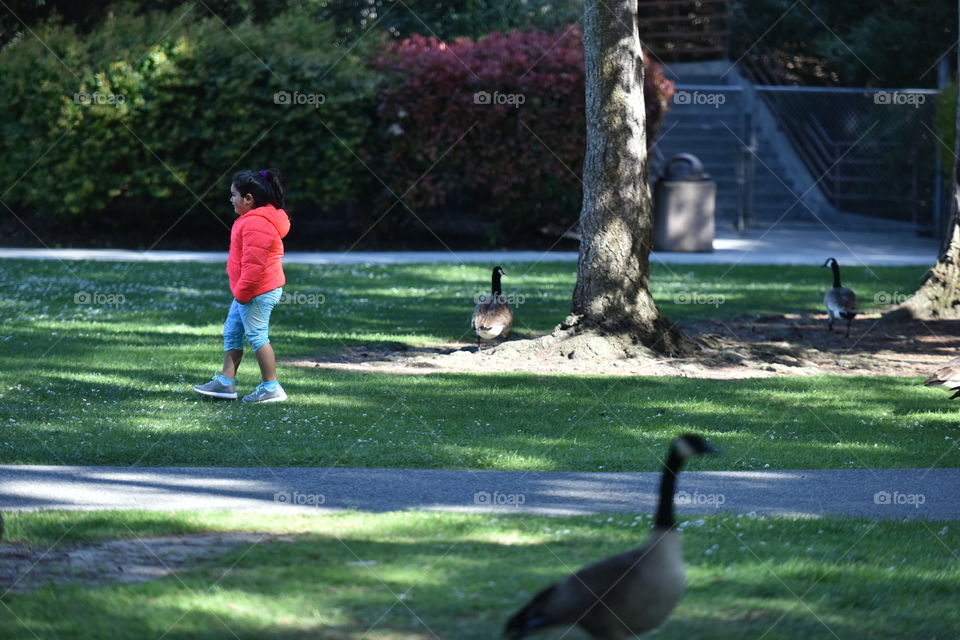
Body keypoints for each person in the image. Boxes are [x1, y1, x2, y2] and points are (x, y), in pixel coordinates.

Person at [194, 168, 291, 403]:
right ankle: (226, 383)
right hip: (247, 291)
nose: (231, 199)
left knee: (257, 336)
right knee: (232, 331)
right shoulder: (251, 220)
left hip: (256, 290)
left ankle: (271, 387)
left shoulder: (257, 224)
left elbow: (254, 265)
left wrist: (244, 293)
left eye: (234, 195)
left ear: (249, 199)